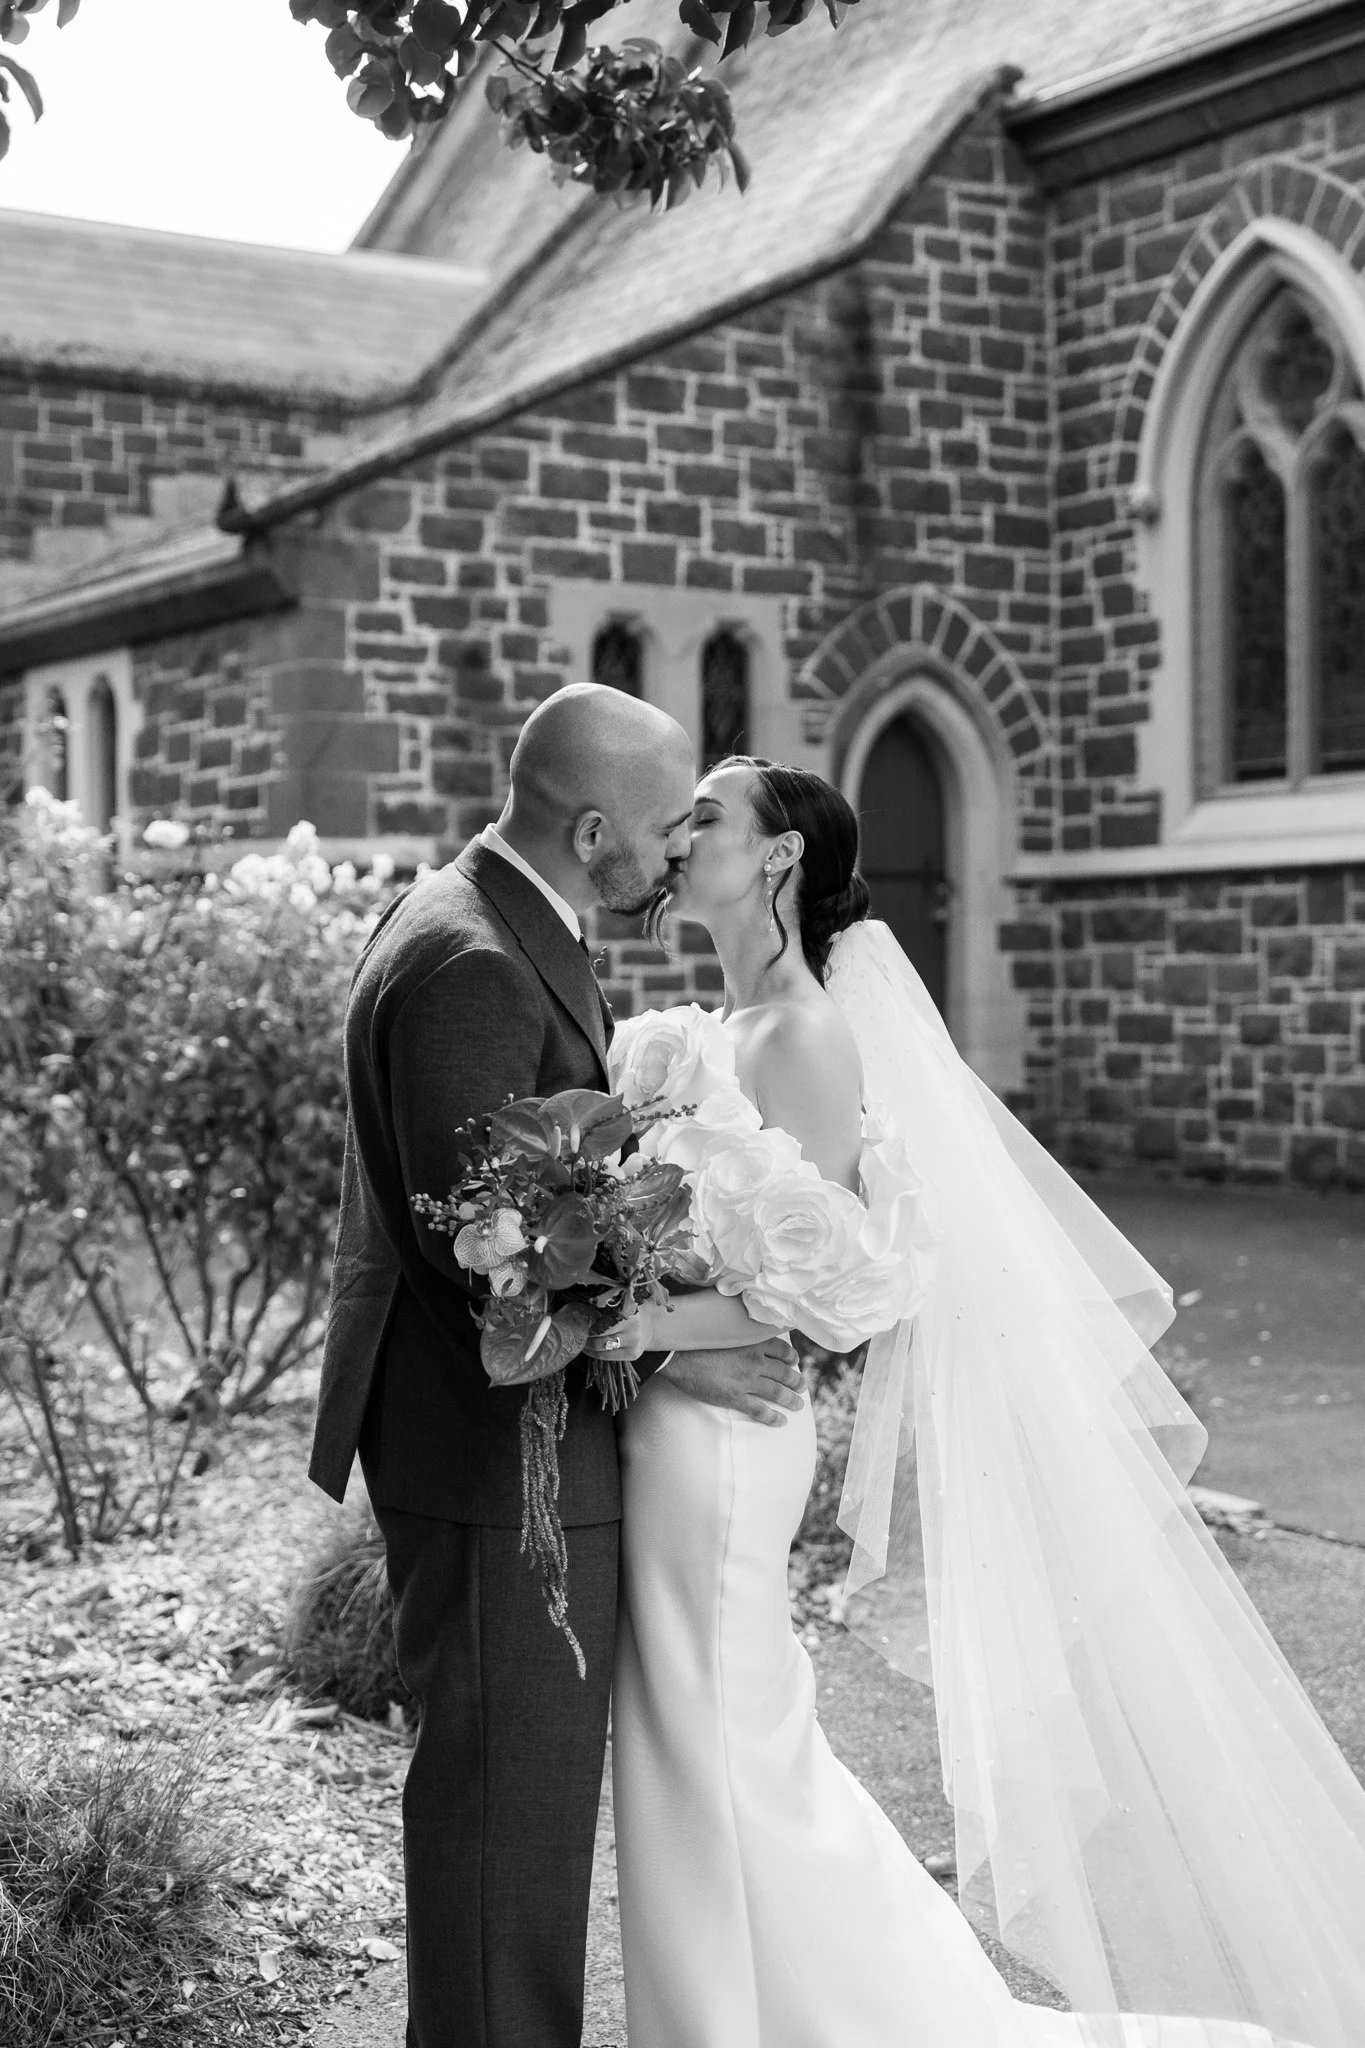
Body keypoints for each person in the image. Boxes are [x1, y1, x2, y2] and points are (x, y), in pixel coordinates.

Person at [600, 756, 1365, 2048]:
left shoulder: (804, 1036)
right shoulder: (702, 1038)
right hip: (674, 1424)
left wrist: (642, 1322)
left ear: (779, 858)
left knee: (725, 1746)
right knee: (689, 1746)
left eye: (709, 817)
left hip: (727, 1442)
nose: (681, 837)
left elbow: (836, 1282)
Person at [308, 690, 804, 2048]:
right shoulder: (473, 961)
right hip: (489, 1459)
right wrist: (683, 1362)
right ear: (591, 831)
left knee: (519, 1826)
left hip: (497, 1448)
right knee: (503, 1836)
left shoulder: (489, 917)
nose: (668, 855)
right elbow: (493, 1255)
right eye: (657, 831)